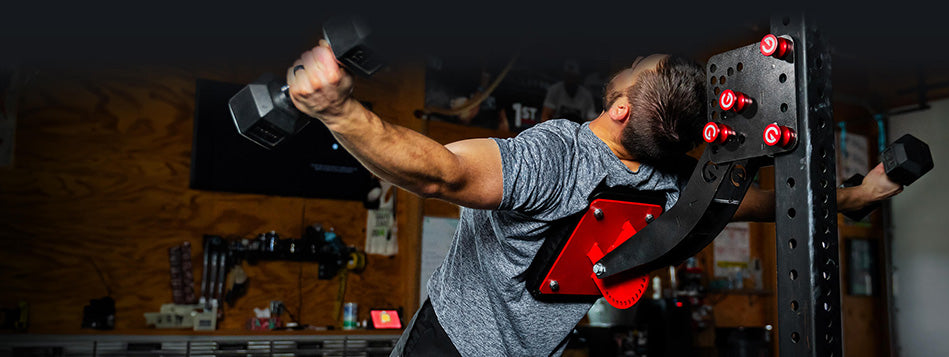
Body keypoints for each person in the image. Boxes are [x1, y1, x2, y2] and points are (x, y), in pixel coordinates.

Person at [285, 42, 902, 356]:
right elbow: (758, 202)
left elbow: (442, 175)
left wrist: (338, 111)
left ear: (620, 106)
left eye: (637, 66)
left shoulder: (558, 156)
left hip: (449, 346)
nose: (631, 62)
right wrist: (848, 198)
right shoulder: (673, 188)